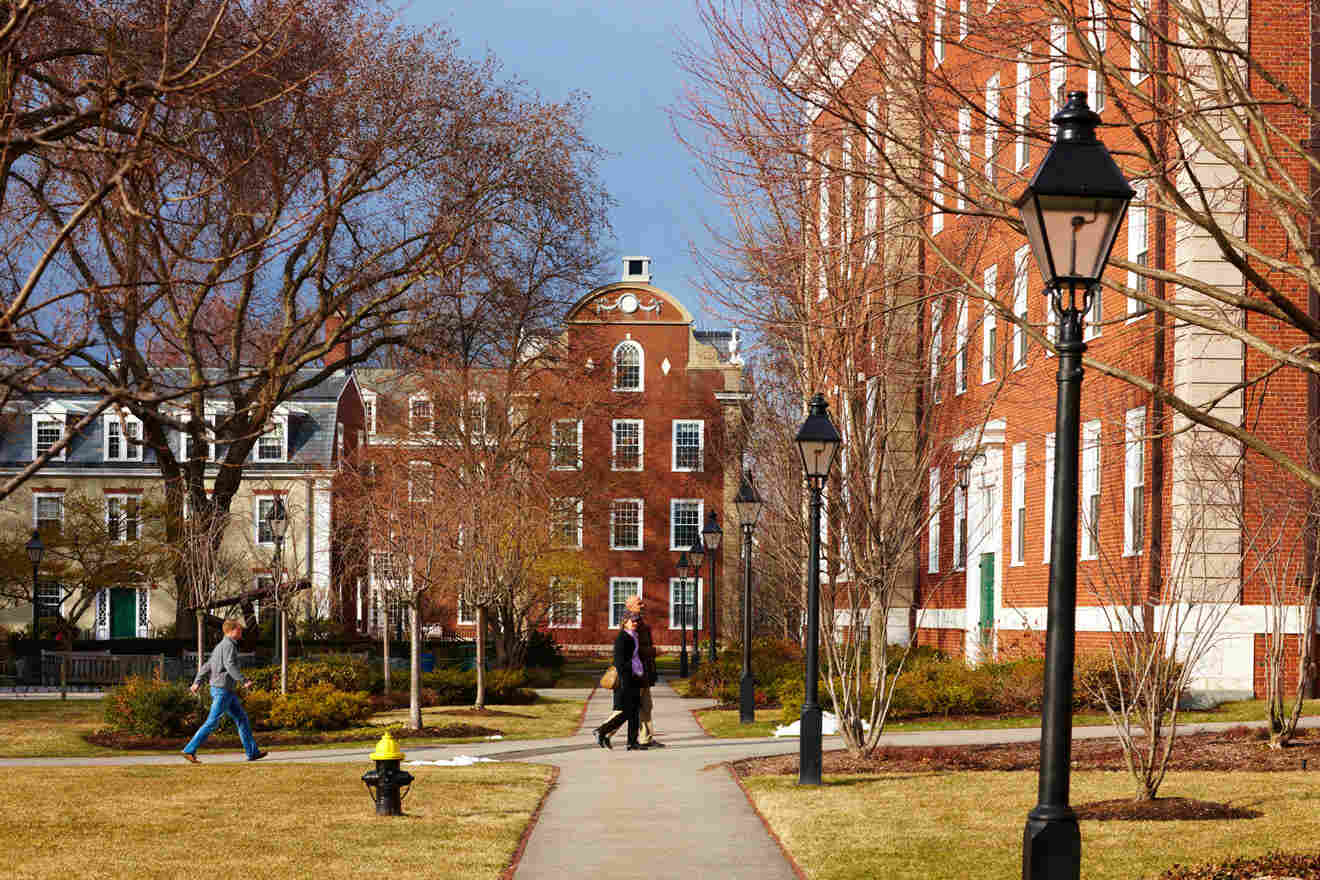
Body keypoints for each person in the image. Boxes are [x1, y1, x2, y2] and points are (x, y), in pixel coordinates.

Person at [182, 618, 267, 763]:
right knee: (212, 722)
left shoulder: (220, 646)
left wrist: (197, 682)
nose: (241, 632)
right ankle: (189, 750)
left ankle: (252, 752)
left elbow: (207, 666)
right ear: (232, 631)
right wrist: (244, 680)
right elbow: (230, 665)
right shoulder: (229, 645)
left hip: (226, 691)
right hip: (222, 690)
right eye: (239, 630)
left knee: (242, 719)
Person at [593, 594, 664, 747]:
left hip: (641, 673)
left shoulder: (638, 623)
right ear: (630, 606)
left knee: (643, 706)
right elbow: (632, 653)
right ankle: (603, 730)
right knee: (628, 709)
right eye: (639, 603)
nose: (643, 605)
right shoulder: (631, 626)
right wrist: (653, 651)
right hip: (635, 674)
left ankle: (643, 739)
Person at [593, 612, 645, 750]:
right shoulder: (623, 638)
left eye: (636, 621)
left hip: (634, 677)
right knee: (627, 711)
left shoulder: (634, 636)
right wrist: (626, 680)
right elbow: (619, 661)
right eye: (632, 621)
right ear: (625, 622)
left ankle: (632, 742)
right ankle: (601, 730)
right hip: (625, 679)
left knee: (634, 711)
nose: (635, 623)